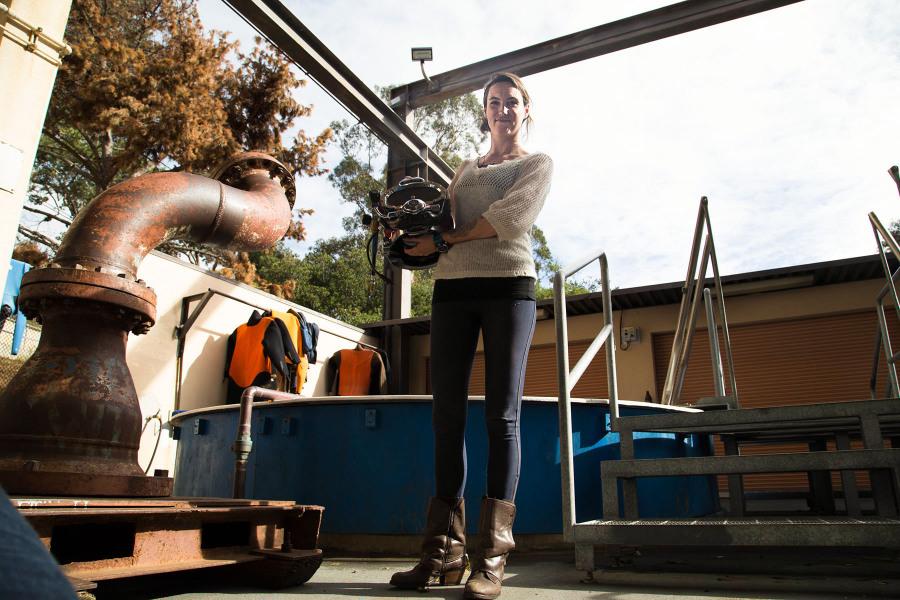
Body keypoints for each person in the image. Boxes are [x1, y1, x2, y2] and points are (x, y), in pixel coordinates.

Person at [390, 72, 553, 600]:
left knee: (501, 415)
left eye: (512, 102)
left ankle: (492, 557)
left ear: (525, 110)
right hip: (453, 288)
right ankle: (442, 552)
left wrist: (444, 235)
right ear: (484, 112)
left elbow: (507, 220)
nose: (503, 110)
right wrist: (407, 233)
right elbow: (446, 222)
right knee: (446, 416)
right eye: (494, 103)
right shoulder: (463, 169)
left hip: (509, 287)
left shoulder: (536, 165)